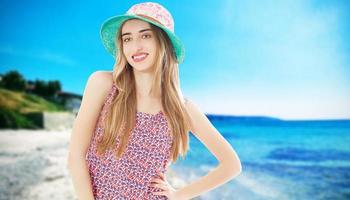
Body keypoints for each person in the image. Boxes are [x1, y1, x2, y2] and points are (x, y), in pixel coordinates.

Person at [67, 2, 242, 200]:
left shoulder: (181, 108)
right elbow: (76, 156)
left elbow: (232, 165)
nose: (135, 46)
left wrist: (179, 195)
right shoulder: (103, 84)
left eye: (146, 35)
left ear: (163, 42)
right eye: (127, 39)